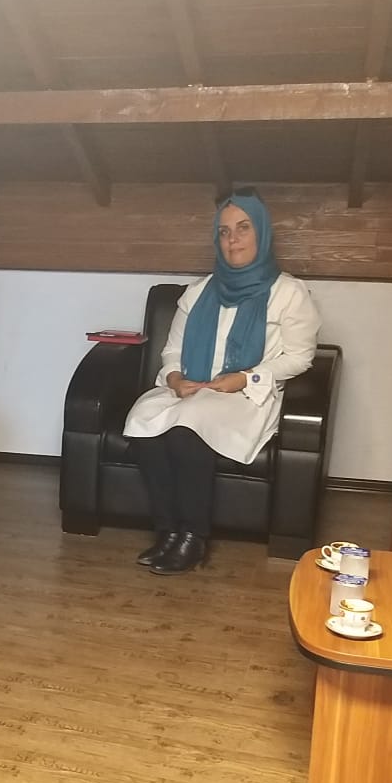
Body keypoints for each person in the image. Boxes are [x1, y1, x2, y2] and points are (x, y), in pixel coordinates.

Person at [123, 190, 321, 574]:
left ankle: (193, 538)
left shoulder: (288, 293)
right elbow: (172, 351)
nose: (233, 240)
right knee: (145, 425)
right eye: (225, 231)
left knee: (185, 431)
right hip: (193, 389)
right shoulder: (198, 293)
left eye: (243, 228)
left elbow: (300, 357)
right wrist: (176, 379)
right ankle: (168, 532)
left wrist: (245, 378)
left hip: (245, 395)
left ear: (262, 233)